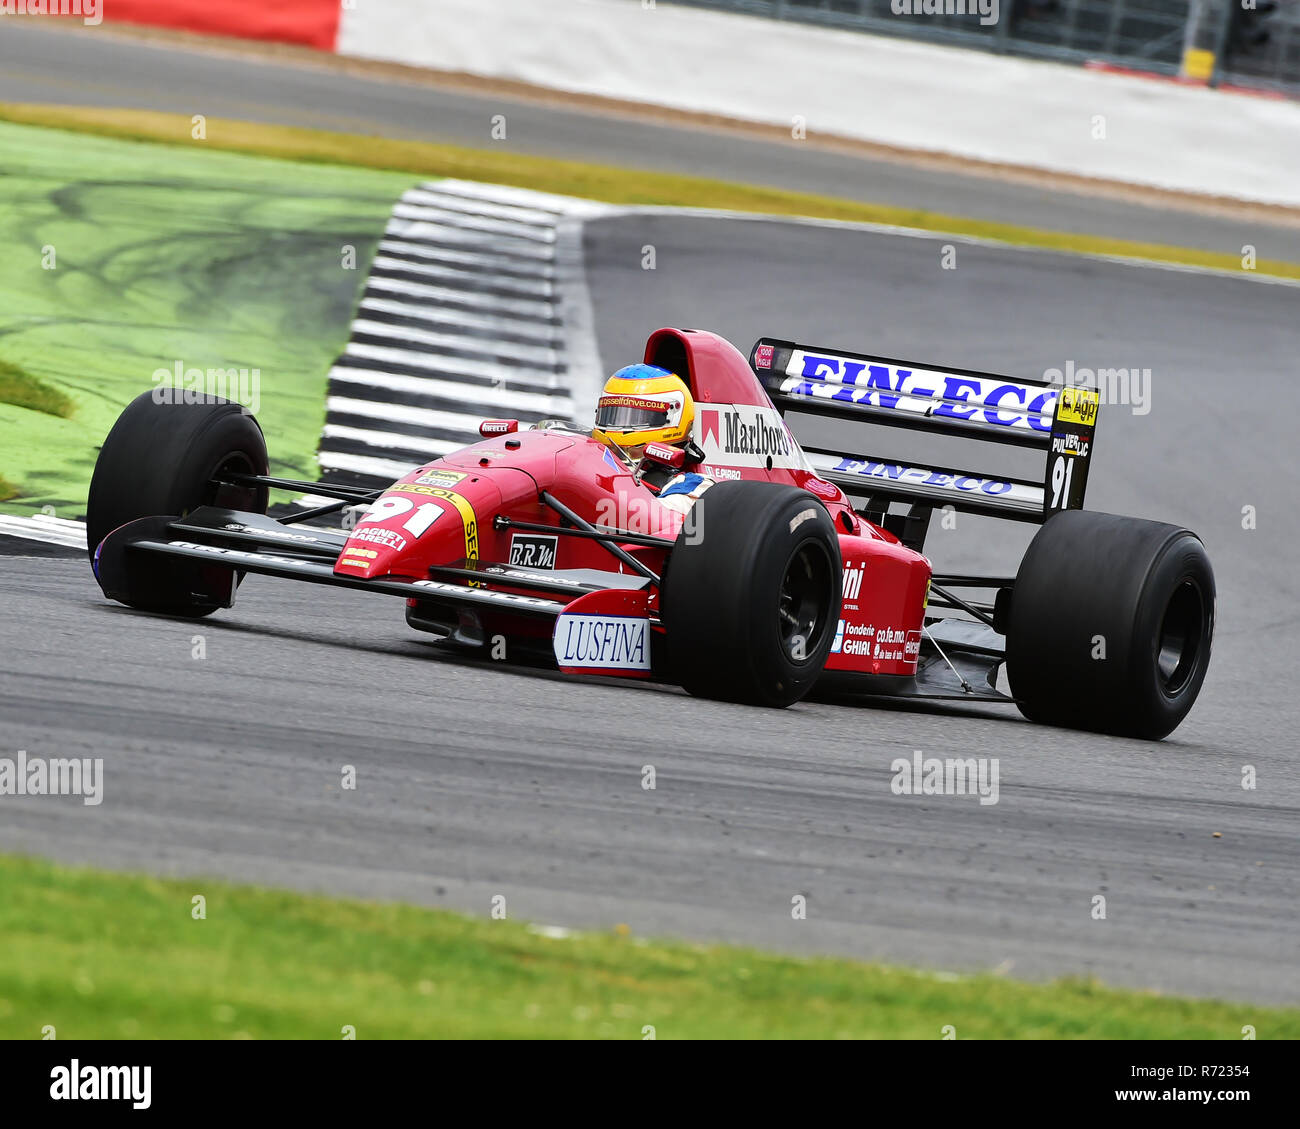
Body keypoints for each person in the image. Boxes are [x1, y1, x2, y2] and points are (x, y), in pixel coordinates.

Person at [591, 364, 714, 515]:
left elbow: (653, 520)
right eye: (611, 415)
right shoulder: (590, 463)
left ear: (672, 418)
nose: (615, 428)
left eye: (635, 418)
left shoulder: (692, 488)